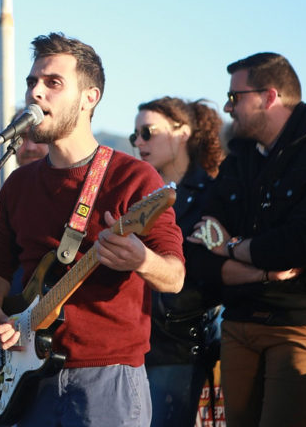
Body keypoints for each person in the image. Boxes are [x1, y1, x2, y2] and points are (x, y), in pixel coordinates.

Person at [0, 32, 185, 427]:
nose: (35, 93)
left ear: (90, 97)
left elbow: (174, 276)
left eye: (53, 83)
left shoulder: (134, 178)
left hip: (107, 381)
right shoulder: (18, 185)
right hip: (27, 379)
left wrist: (142, 260)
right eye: (32, 82)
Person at [188, 53, 306, 427]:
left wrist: (230, 247)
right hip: (240, 321)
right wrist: (263, 271)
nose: (228, 108)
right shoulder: (238, 161)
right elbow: (196, 251)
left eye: (235, 97)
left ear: (269, 96)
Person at [131, 97, 225, 427]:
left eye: (147, 132)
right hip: (135, 340)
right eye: (135, 137)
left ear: (182, 132)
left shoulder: (213, 194)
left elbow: (217, 271)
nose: (139, 142)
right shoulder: (141, 196)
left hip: (179, 344)